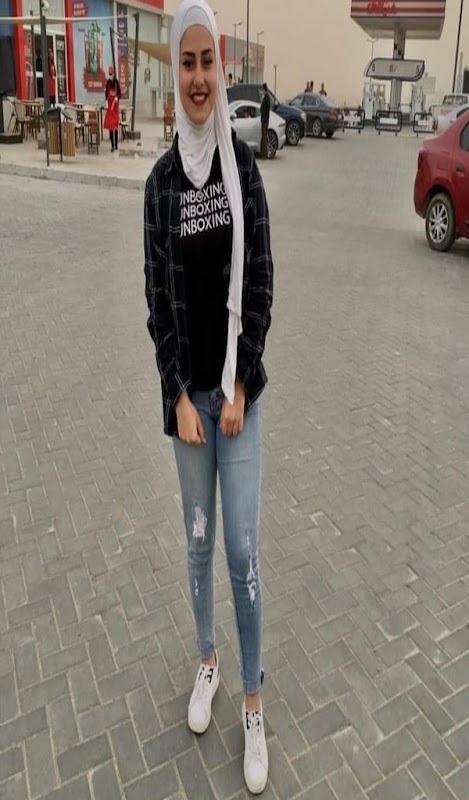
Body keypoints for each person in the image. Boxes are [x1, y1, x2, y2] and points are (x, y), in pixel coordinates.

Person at [144, 0, 273, 793]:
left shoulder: (242, 170)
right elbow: (157, 302)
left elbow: (259, 283)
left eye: (207, 63)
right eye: (186, 63)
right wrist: (179, 397)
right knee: (197, 543)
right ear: (176, 70)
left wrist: (240, 383)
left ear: (221, 69)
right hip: (189, 407)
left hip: (235, 401)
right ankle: (208, 663)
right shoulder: (160, 184)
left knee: (241, 553)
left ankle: (253, 701)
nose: (198, 78)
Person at [103, 66, 121, 152]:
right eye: (109, 74)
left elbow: (120, 94)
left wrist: (117, 97)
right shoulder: (108, 82)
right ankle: (112, 145)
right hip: (110, 108)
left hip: (115, 107)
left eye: (111, 74)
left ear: (114, 74)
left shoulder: (117, 82)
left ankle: (116, 145)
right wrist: (106, 101)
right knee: (111, 126)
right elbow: (106, 93)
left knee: (115, 127)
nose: (110, 76)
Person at [260, 82, 270, 158]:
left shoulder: (267, 98)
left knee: (264, 136)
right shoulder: (265, 97)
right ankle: (263, 152)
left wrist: (266, 120)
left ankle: (264, 153)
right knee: (263, 136)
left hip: (265, 120)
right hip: (263, 119)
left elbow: (267, 110)